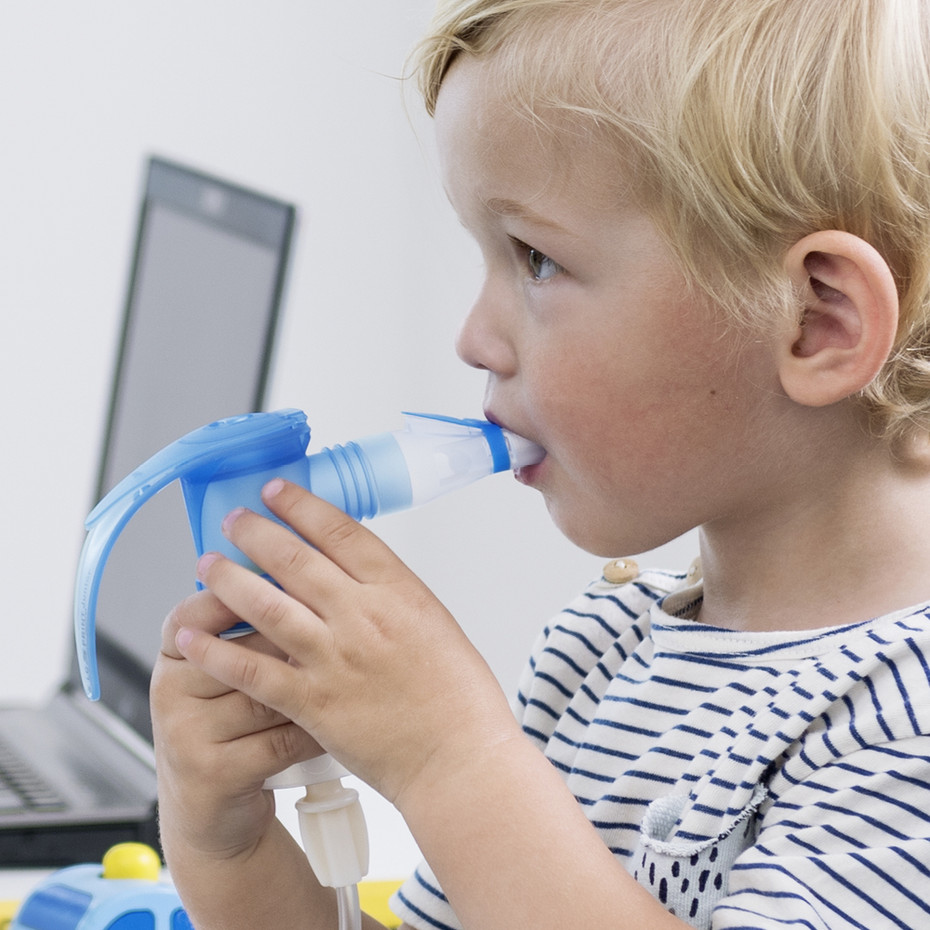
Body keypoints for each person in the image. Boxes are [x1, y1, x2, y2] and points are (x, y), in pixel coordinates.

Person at [149, 0, 930, 927]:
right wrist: (227, 848)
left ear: (815, 322)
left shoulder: (905, 723)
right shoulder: (598, 651)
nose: (474, 338)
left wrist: (450, 761)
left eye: (536, 259)